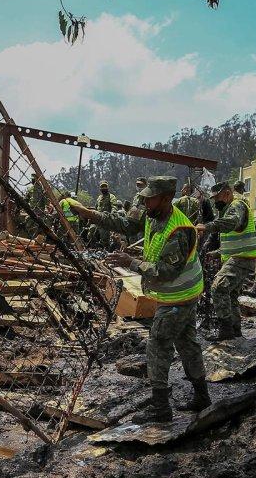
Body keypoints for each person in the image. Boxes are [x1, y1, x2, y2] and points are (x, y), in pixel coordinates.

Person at [65, 177, 208, 420]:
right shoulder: (152, 213)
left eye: (149, 197)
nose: (144, 201)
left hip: (179, 296)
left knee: (158, 345)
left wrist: (130, 263)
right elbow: (126, 224)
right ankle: (202, 397)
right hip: (179, 293)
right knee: (187, 343)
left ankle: (161, 408)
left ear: (166, 198)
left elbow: (165, 272)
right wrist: (90, 214)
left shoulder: (179, 230)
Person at [198, 181, 256, 340]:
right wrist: (218, 252)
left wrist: (207, 226)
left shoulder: (236, 205)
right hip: (240, 257)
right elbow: (235, 239)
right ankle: (235, 330)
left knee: (218, 287)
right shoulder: (231, 207)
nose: (215, 202)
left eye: (217, 198)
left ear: (227, 193)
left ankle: (225, 330)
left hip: (241, 259)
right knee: (230, 295)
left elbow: (232, 222)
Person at [93, 181, 118, 248]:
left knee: (105, 237)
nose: (104, 188)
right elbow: (96, 207)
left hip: (106, 219)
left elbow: (114, 206)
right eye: (102, 187)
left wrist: (112, 215)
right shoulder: (99, 198)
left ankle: (106, 250)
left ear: (107, 187)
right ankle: (97, 248)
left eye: (105, 186)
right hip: (98, 219)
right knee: (91, 233)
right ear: (100, 188)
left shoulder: (111, 197)